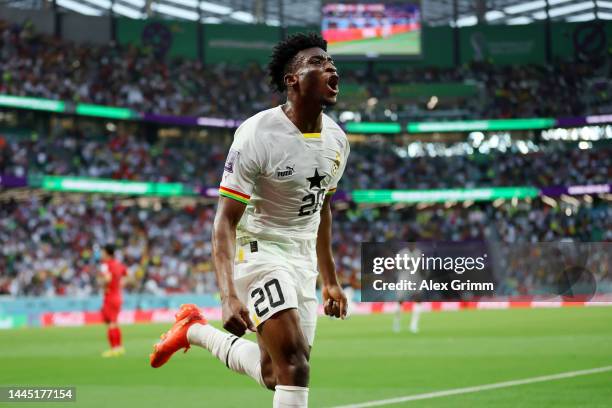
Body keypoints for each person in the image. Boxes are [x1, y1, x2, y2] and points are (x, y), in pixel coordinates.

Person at [150, 32, 349, 408]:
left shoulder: (338, 141)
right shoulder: (257, 134)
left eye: (331, 61)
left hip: (303, 258)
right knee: (295, 366)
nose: (331, 66)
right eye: (318, 62)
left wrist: (331, 282)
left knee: (276, 373)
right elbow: (224, 220)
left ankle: (194, 331)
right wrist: (227, 295)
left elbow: (322, 208)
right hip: (260, 251)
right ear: (292, 80)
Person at [99, 244, 127, 357]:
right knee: (114, 322)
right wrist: (120, 285)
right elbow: (127, 275)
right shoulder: (118, 264)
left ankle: (113, 349)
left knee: (110, 323)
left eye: (102, 252)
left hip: (109, 296)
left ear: (106, 253)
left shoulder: (106, 265)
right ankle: (119, 347)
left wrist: (101, 283)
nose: (101, 254)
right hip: (118, 296)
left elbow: (107, 278)